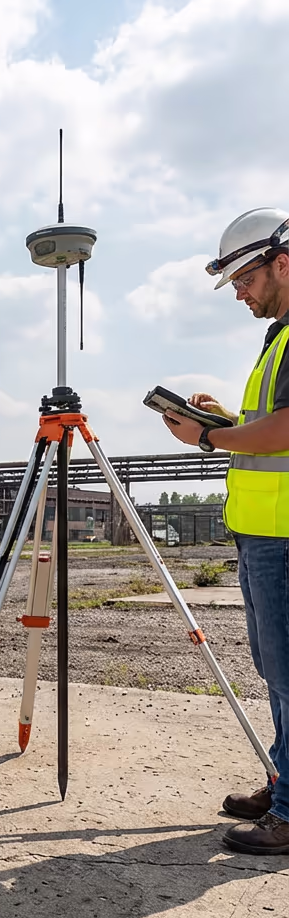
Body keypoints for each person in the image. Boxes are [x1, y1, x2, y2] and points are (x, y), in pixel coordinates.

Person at [162, 207, 289, 854]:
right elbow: (270, 425)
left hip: (285, 537)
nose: (239, 293)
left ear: (282, 263)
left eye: (245, 279)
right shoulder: (279, 338)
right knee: (277, 671)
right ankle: (284, 783)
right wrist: (228, 420)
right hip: (263, 534)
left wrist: (210, 438)